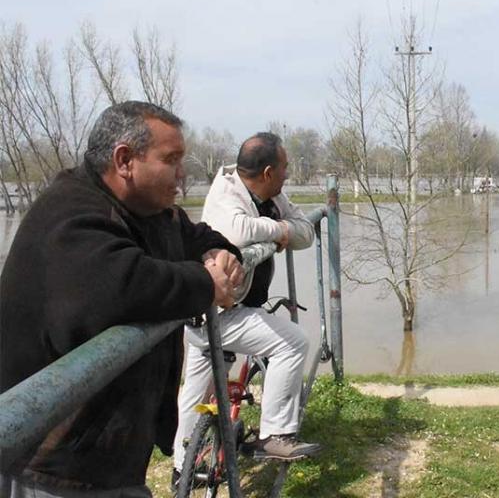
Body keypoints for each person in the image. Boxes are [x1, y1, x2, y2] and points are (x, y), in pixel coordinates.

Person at [0, 101, 244, 497]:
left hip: (110, 455)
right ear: (125, 160)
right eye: (172, 159)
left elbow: (197, 236)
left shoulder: (150, 211)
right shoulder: (69, 213)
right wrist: (204, 283)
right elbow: (123, 285)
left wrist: (220, 254)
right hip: (49, 466)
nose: (183, 173)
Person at [172, 132, 319, 485]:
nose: (288, 175)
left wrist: (281, 230)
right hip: (220, 311)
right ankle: (274, 435)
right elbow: (236, 231)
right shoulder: (227, 192)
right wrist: (279, 230)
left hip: (215, 312)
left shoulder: (273, 195)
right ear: (268, 171)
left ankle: (183, 470)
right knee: (292, 342)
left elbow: (306, 234)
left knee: (197, 391)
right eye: (284, 168)